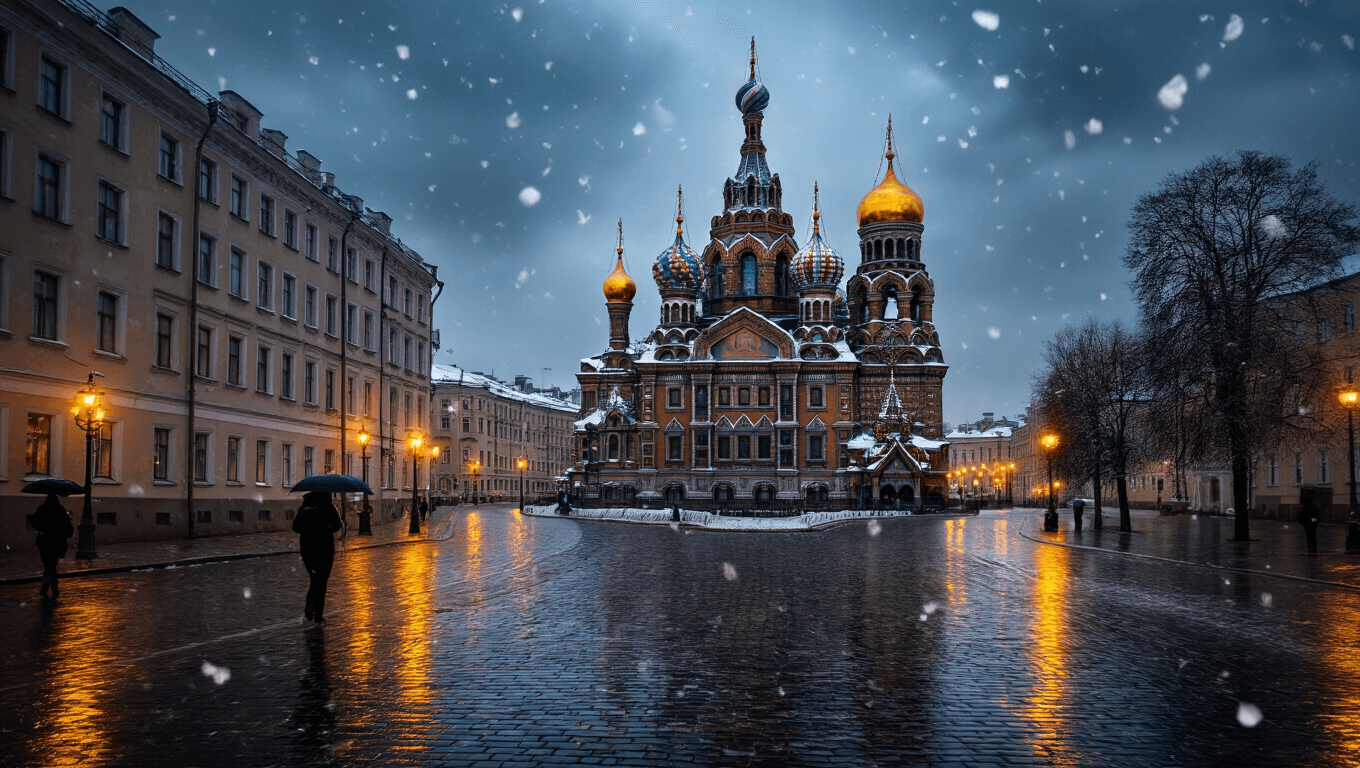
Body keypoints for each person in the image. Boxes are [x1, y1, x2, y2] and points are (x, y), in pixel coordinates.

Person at [293, 491, 342, 622]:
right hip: (324, 548)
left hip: (308, 548)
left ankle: (309, 610)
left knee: (314, 579)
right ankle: (318, 614)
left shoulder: (305, 507)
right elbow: (337, 526)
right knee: (322, 581)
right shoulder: (328, 507)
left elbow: (296, 527)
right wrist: (325, 527)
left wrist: (308, 528)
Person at [33, 495, 74, 598]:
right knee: (51, 566)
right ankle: (52, 588)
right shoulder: (61, 510)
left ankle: (47, 588)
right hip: (57, 542)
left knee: (48, 566)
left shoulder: (41, 509)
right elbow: (67, 526)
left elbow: (35, 523)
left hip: (44, 542)